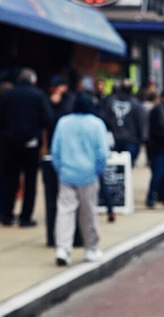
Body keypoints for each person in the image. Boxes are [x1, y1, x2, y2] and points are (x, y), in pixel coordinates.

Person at [50, 93, 109, 266]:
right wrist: (98, 170)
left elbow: (55, 150)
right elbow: (102, 153)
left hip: (67, 172)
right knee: (88, 211)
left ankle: (62, 248)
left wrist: (60, 169)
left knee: (65, 211)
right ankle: (91, 248)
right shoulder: (97, 124)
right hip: (88, 173)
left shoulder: (63, 122)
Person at [0, 68, 55, 227]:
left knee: (10, 179)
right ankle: (25, 216)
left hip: (10, 142)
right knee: (30, 180)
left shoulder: (7, 95)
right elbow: (48, 119)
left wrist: (5, 134)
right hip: (31, 143)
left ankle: (7, 214)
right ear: (33, 80)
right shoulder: (39, 95)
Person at [96, 79, 148, 167]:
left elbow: (104, 118)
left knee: (115, 167)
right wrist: (142, 138)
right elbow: (141, 122)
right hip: (131, 139)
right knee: (127, 167)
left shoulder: (110, 102)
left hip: (115, 138)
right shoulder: (136, 104)